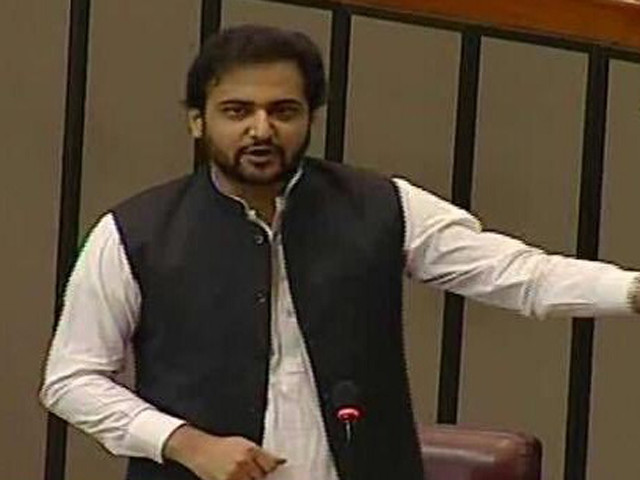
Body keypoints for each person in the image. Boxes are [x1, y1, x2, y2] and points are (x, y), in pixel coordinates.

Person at [40, 24, 640, 480]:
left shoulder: (381, 205)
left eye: (283, 111)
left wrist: (633, 291)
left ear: (309, 119)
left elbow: (520, 276)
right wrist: (183, 442)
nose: (261, 130)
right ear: (197, 122)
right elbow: (70, 380)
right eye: (236, 111)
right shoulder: (133, 231)